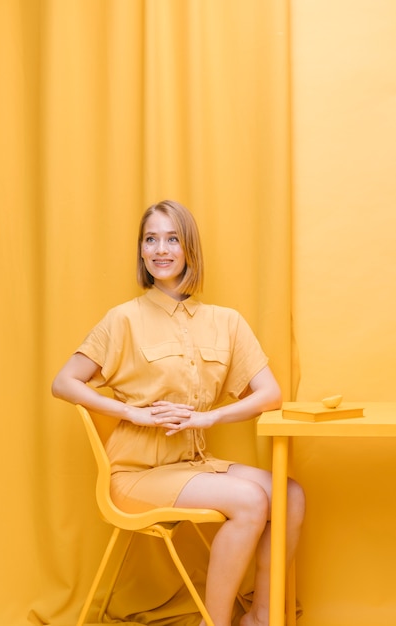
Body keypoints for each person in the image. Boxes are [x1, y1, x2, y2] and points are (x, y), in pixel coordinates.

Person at [52, 200, 305, 626]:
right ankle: (216, 623)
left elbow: (270, 394)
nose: (160, 249)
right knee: (250, 501)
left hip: (194, 463)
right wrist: (134, 414)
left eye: (172, 239)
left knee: (290, 494)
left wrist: (211, 417)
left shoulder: (226, 322)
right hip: (136, 473)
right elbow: (64, 383)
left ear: (189, 249)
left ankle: (261, 617)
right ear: (142, 251)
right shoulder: (123, 320)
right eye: (151, 239)